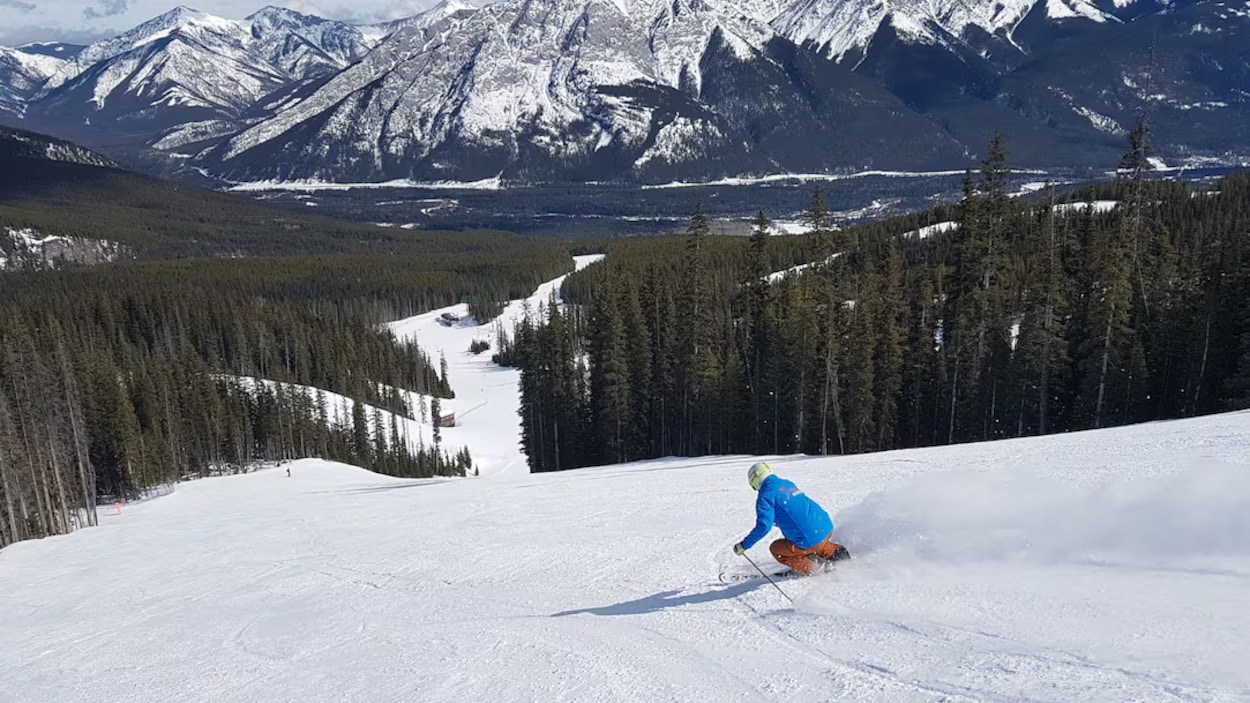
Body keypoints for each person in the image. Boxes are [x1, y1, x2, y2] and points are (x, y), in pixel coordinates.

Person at [733, 462, 849, 575]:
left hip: (809, 540)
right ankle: (836, 553)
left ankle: (812, 567)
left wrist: (744, 545)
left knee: (777, 549)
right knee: (816, 541)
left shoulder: (765, 496)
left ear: (755, 481)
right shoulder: (787, 483)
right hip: (826, 527)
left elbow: (764, 526)